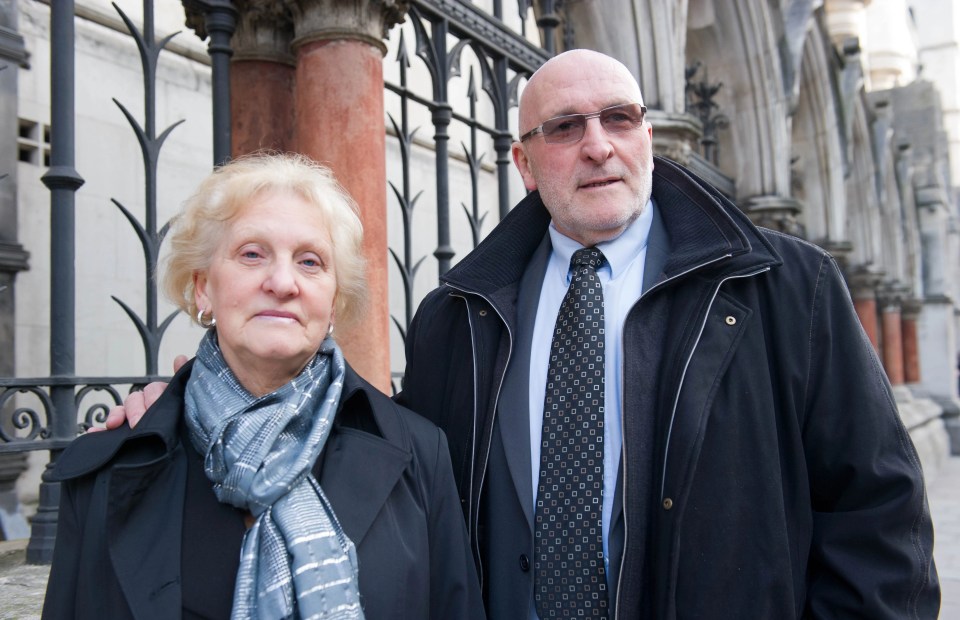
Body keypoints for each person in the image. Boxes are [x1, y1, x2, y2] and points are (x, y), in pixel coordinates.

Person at [108, 50, 940, 618]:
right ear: (523, 161)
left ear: (649, 137)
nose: (599, 146)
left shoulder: (779, 289)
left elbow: (877, 511)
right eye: (566, 128)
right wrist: (184, 405)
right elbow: (377, 459)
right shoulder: (459, 314)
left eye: (620, 119)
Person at [42, 153, 484, 619]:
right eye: (252, 254)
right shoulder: (109, 468)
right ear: (203, 288)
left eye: (310, 261)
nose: (282, 282)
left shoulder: (419, 452)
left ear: (333, 300)